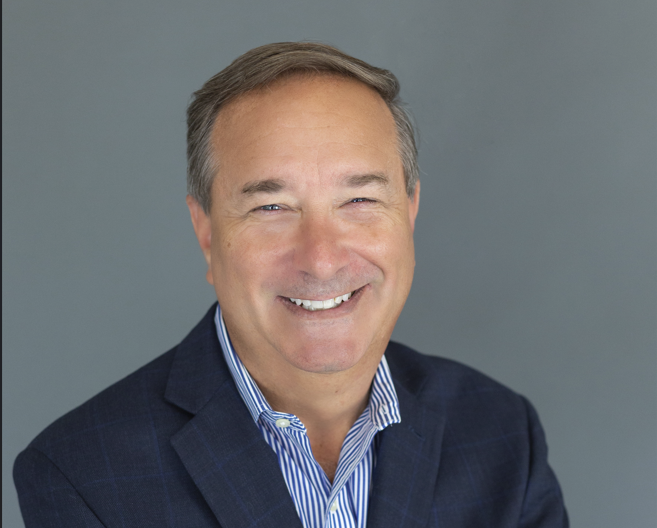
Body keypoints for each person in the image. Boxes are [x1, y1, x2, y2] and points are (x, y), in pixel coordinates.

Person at [14, 42, 568, 527]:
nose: (321, 260)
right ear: (206, 233)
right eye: (271, 207)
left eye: (359, 200)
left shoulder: (500, 434)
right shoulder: (84, 475)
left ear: (410, 212)